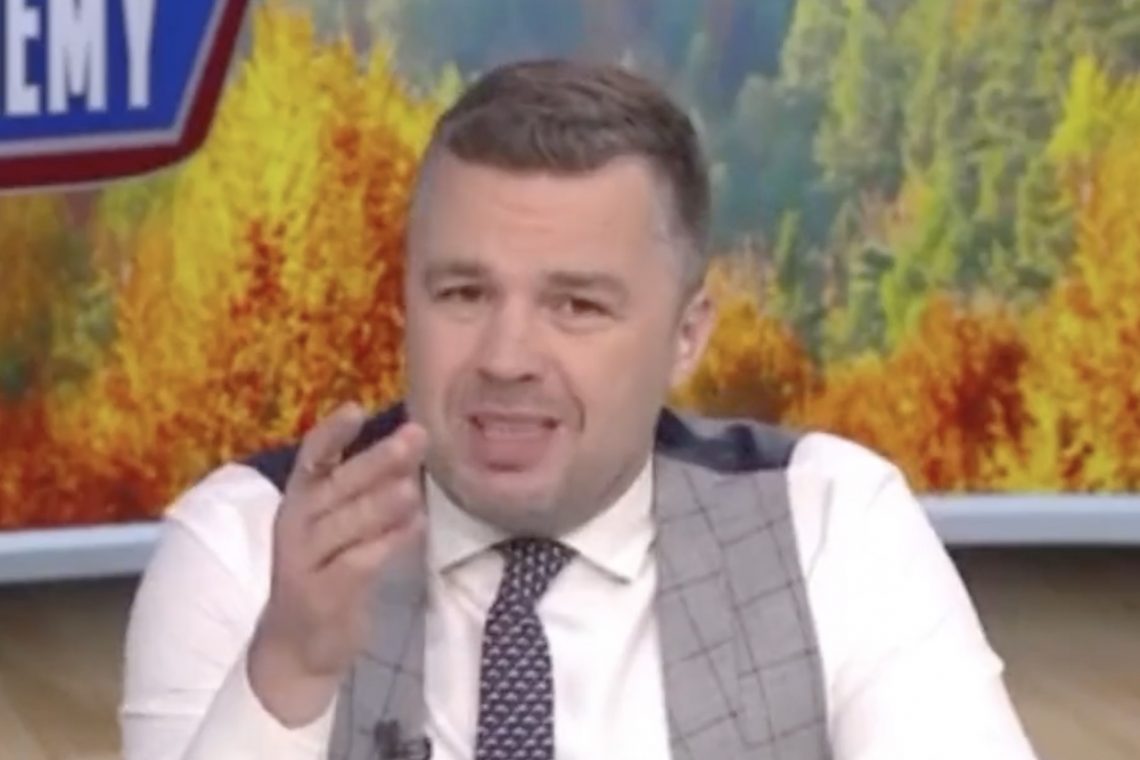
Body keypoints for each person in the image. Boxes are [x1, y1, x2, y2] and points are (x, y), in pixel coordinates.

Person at [119, 58, 1039, 760]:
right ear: (406, 301)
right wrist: (288, 674)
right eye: (463, 294)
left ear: (687, 335)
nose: (507, 358)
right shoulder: (245, 545)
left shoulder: (829, 524)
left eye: (577, 306)